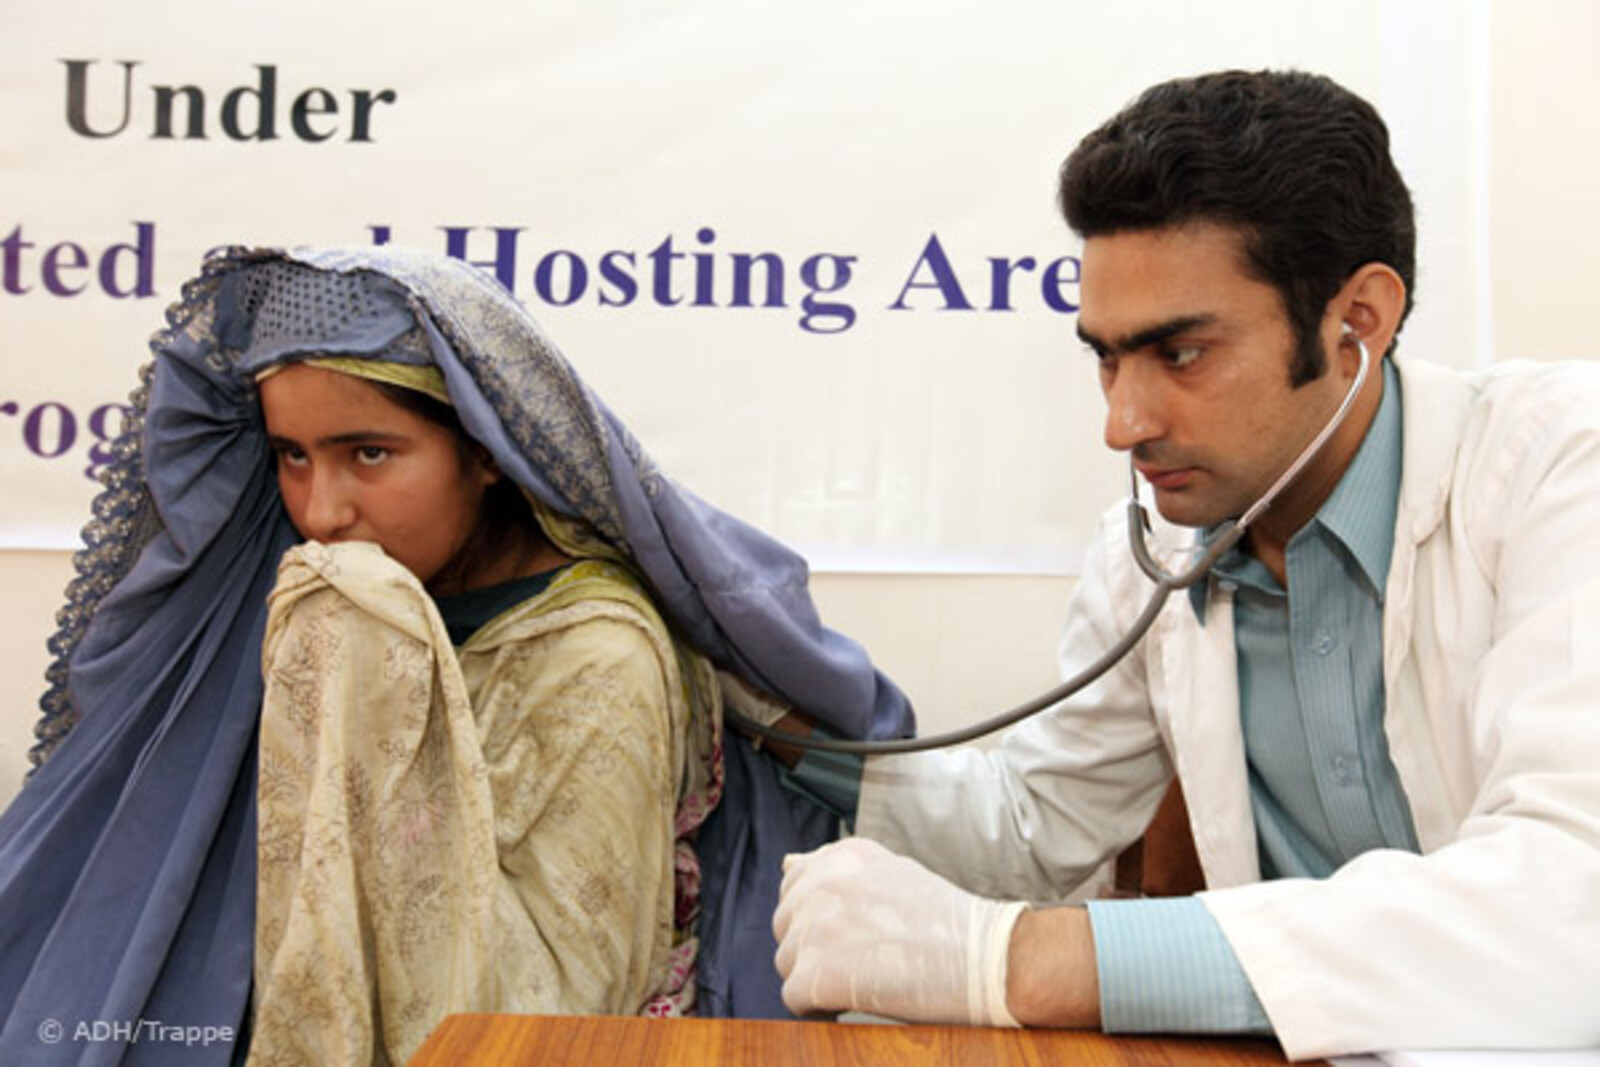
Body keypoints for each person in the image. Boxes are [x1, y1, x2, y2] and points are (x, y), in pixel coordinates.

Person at [771, 70, 1600, 1059]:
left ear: (1358, 322)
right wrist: (759, 702)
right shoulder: (1157, 550)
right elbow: (1036, 828)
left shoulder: (1560, 468)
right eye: (1107, 358)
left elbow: (1569, 900)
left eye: (1181, 354)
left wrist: (1017, 960)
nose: (1123, 421)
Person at [0, 245, 914, 1064]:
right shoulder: (333, 596)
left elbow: (555, 1013)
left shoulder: (595, 651)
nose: (321, 510)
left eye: (369, 452)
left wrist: (364, 639)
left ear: (487, 451)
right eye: (291, 455)